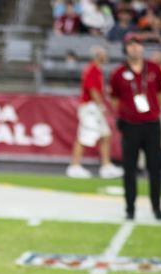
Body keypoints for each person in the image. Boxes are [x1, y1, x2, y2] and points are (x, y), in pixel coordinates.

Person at [108, 33, 161, 221]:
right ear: (126, 49)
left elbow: (160, 93)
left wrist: (152, 112)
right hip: (130, 125)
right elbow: (115, 98)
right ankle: (129, 208)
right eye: (131, 45)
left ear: (142, 47)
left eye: (137, 45)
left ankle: (156, 207)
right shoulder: (118, 73)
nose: (134, 48)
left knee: (155, 168)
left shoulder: (155, 69)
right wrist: (126, 114)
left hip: (151, 124)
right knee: (129, 169)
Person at [67, 45, 123, 180]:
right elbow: (92, 90)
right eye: (104, 54)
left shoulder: (97, 70)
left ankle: (106, 166)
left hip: (94, 107)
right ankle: (74, 166)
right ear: (98, 56)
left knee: (106, 135)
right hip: (90, 108)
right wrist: (101, 106)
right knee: (84, 137)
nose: (106, 56)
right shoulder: (92, 69)